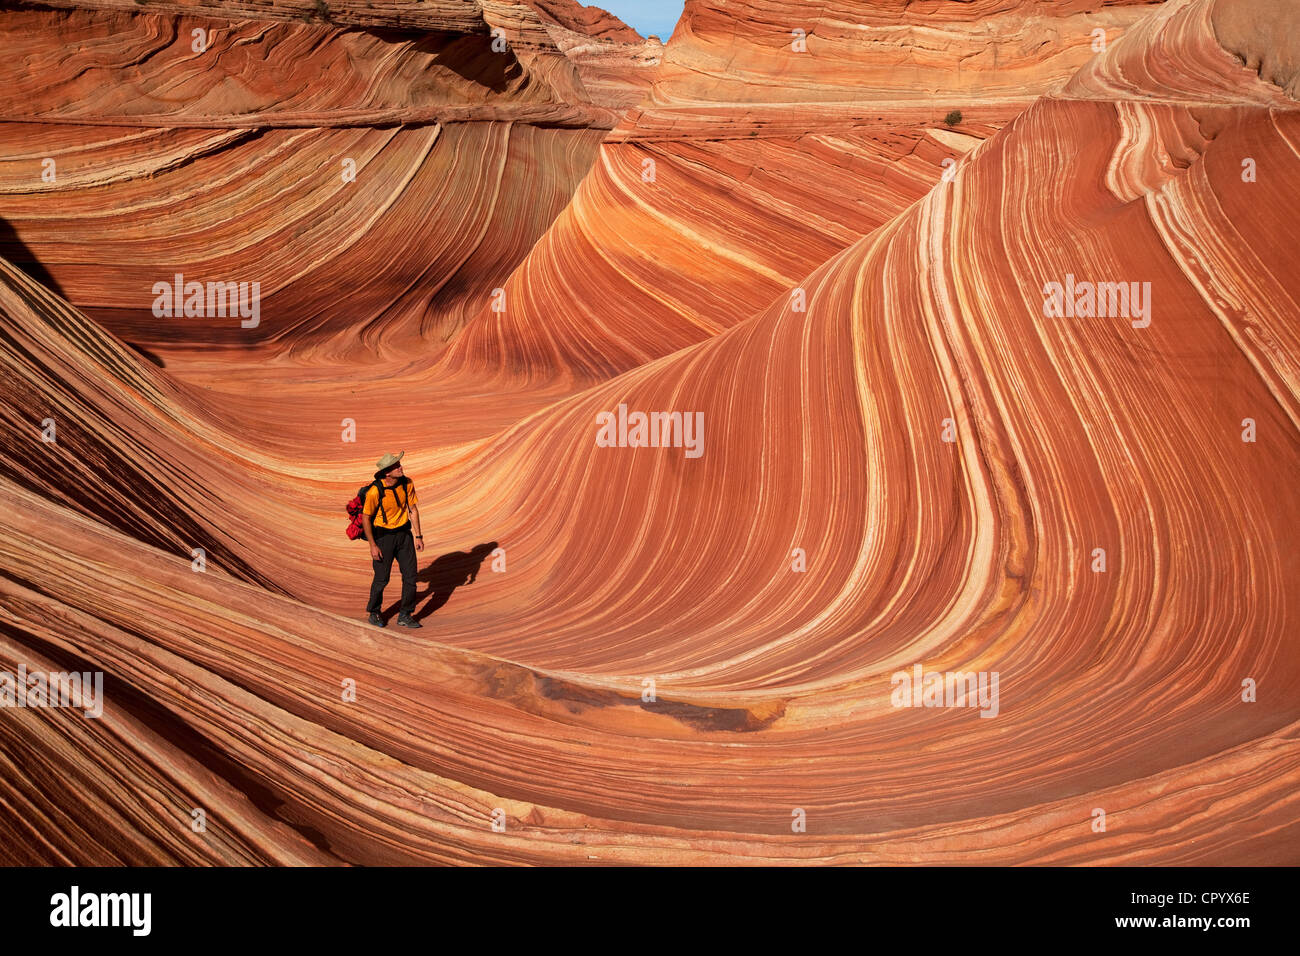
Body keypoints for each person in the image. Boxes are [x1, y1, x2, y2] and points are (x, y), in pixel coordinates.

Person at [361, 451, 424, 628]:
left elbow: (413, 509)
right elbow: (366, 517)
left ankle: (405, 614)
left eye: (399, 464)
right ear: (387, 472)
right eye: (396, 466)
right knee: (382, 578)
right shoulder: (375, 491)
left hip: (404, 535)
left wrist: (418, 536)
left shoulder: (407, 483)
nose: (400, 467)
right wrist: (373, 546)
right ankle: (374, 612)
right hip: (383, 537)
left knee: (411, 576)